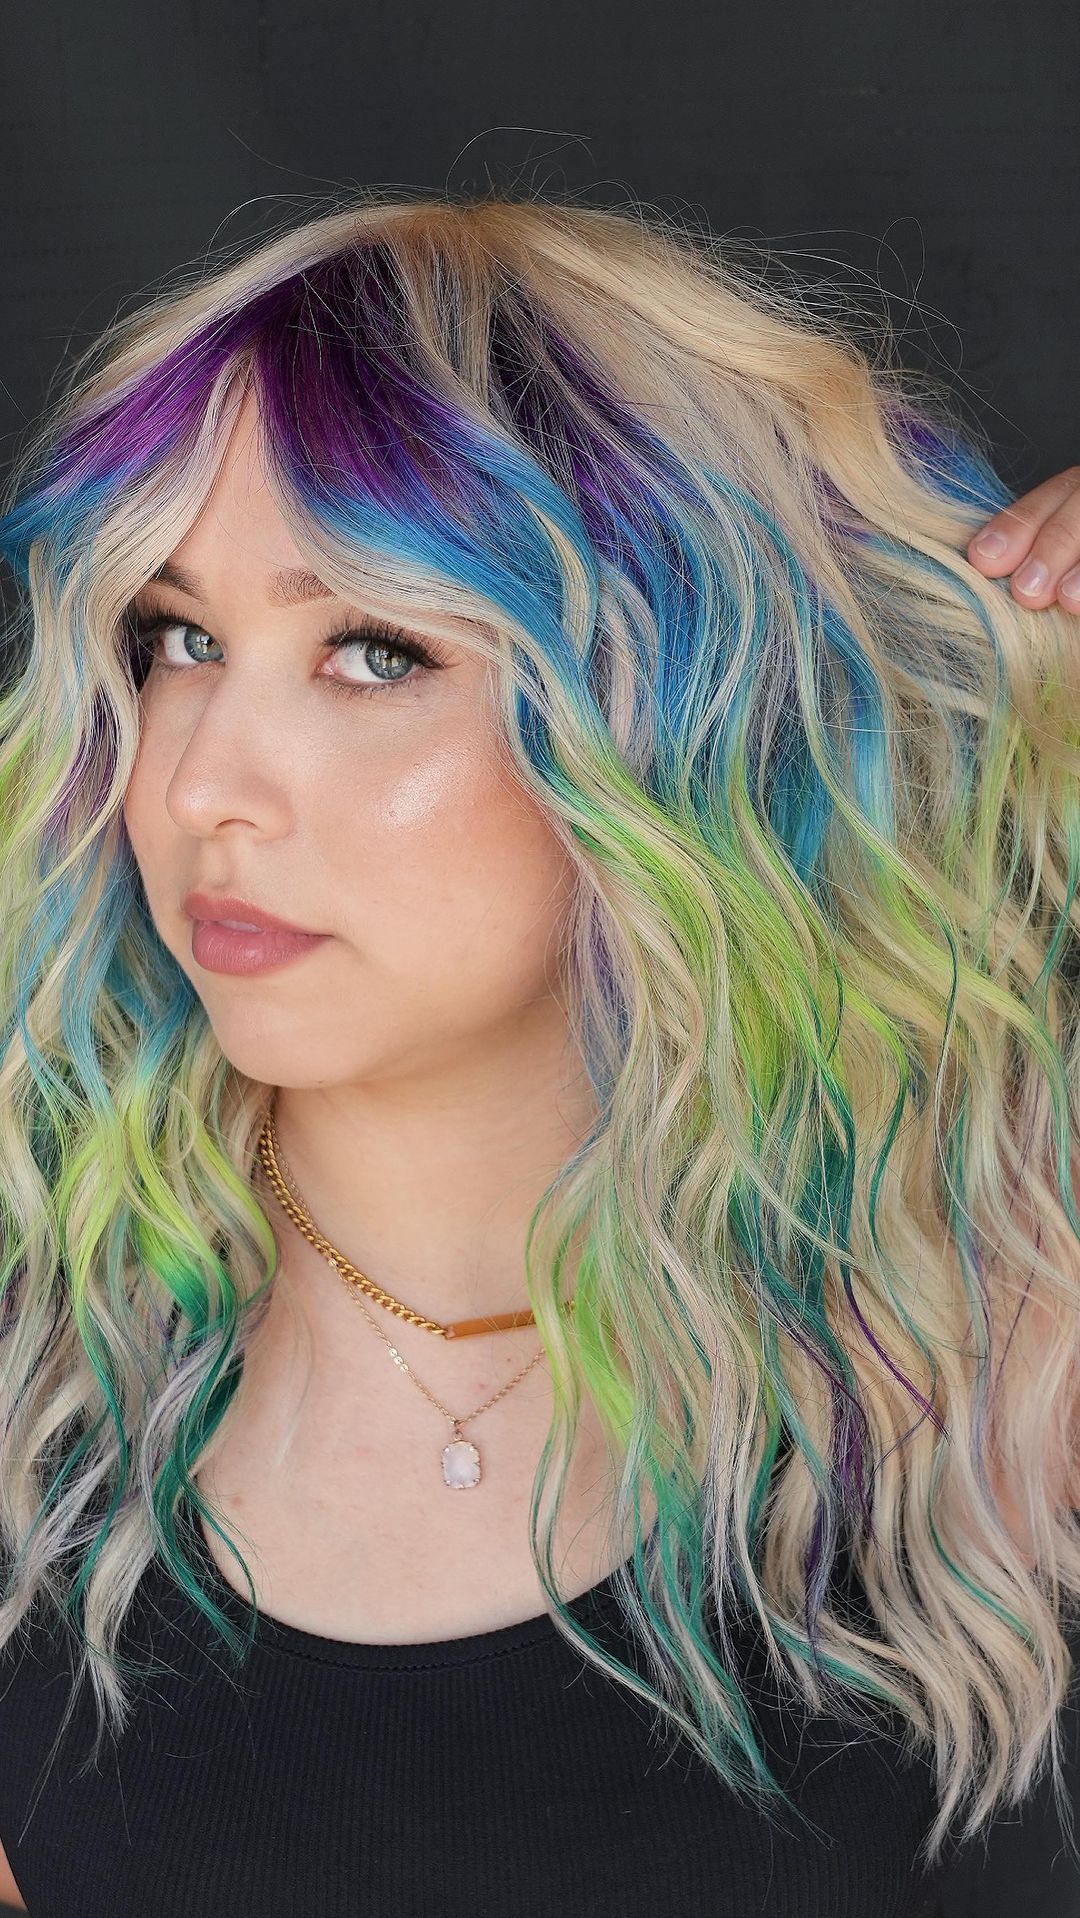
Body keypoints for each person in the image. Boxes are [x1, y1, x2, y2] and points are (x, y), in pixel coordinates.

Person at [0, 191, 1078, 1917]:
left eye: (373, 651)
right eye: (176, 637)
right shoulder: (40, 1389)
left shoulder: (998, 1324)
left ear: (683, 718)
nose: (198, 782)